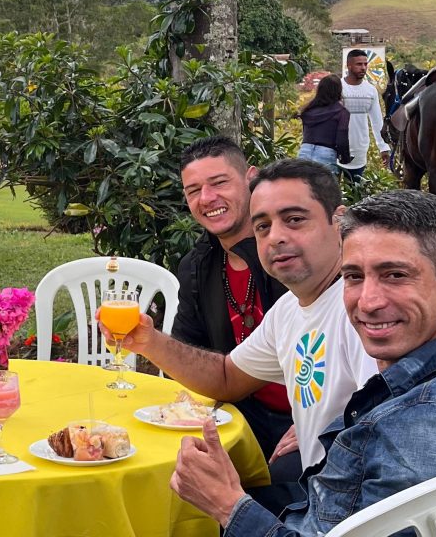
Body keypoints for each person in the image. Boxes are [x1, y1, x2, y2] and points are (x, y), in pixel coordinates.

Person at [170, 189, 436, 535]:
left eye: (395, 275)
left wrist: (227, 504)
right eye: (354, 276)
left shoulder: (429, 424)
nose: (368, 301)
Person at [113, 159, 378, 476]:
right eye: (263, 227)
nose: (275, 237)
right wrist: (150, 342)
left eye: (294, 219)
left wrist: (231, 505)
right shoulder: (288, 311)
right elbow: (227, 377)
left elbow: (384, 429)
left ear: (339, 223)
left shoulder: (363, 308)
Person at [171, 137, 296, 477]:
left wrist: (325, 415)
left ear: (250, 178)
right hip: (236, 416)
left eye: (219, 182)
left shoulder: (293, 255)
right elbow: (187, 351)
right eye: (193, 190)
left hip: (303, 419)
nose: (207, 199)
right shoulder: (198, 266)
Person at [340, 49, 390, 182]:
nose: (363, 68)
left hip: (359, 150)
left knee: (354, 193)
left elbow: (377, 121)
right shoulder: (338, 87)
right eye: (359, 64)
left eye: (365, 64)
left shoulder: (370, 91)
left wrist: (383, 147)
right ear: (349, 65)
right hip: (334, 150)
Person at [296, 74, 351, 175]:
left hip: (305, 150)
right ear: (338, 90)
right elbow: (341, 140)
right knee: (325, 189)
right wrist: (345, 157)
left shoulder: (308, 110)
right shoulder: (341, 112)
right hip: (326, 153)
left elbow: (306, 134)